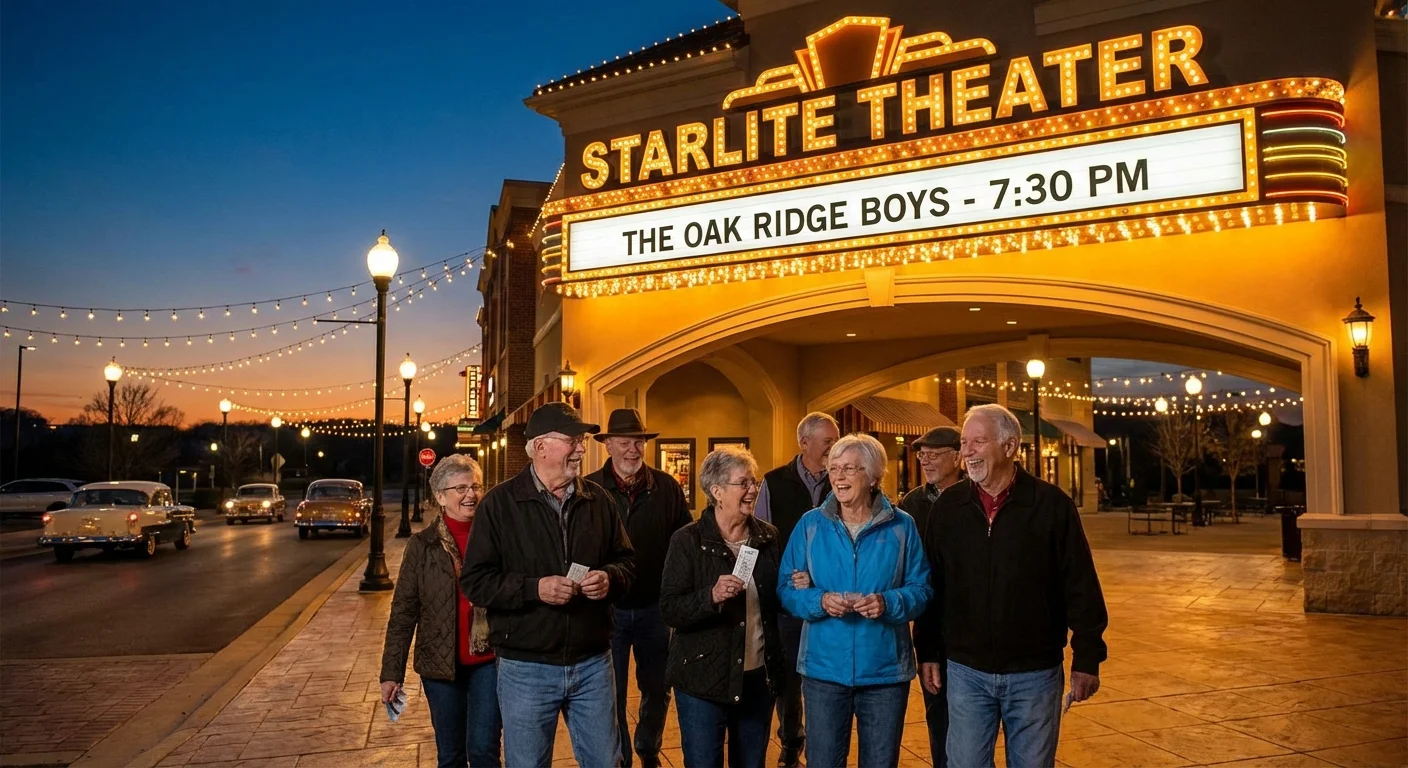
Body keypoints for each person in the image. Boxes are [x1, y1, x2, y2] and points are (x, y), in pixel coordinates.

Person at [914, 404, 1109, 768]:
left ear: (1009, 447)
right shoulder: (947, 509)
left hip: (1035, 674)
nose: (967, 451)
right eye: (964, 443)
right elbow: (932, 588)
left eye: (978, 442)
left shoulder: (1051, 506)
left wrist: (1087, 658)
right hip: (966, 672)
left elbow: (1080, 586)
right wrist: (926, 650)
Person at [461, 402, 636, 768]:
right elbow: (475, 582)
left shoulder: (598, 501)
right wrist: (533, 589)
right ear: (541, 446)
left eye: (582, 441)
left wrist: (610, 578)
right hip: (526, 668)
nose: (581, 449)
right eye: (572, 440)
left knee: (607, 762)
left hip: (592, 663)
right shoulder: (499, 505)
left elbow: (627, 562)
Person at [778, 433, 932, 768]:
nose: (839, 476)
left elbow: (922, 590)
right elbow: (786, 589)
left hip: (885, 673)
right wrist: (820, 601)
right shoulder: (810, 525)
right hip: (823, 671)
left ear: (874, 476)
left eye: (850, 468)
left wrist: (887, 603)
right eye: (834, 468)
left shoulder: (902, 527)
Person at [659, 446, 784, 768]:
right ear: (717, 491)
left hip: (757, 678)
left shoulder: (768, 537)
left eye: (753, 482)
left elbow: (776, 604)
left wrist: (796, 585)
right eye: (743, 483)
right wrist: (710, 596)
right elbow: (670, 609)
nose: (752, 490)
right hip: (702, 679)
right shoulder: (686, 541)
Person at [585, 408, 692, 768]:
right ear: (609, 445)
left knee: (658, 686)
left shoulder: (667, 488)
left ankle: (648, 747)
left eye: (639, 442)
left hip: (655, 609)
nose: (633, 450)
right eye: (625, 442)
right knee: (609, 693)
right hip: (607, 611)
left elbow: (684, 544)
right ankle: (623, 759)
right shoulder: (589, 488)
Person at [380, 454, 502, 768]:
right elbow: (404, 612)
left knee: (484, 750)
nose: (471, 494)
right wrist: (391, 674)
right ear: (440, 496)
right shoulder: (422, 545)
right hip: (439, 667)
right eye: (460, 488)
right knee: (450, 756)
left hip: (490, 660)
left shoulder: (497, 538)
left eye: (475, 486)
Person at [753, 411, 838, 766]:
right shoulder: (773, 483)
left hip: (833, 601)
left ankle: (824, 746)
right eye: (828, 442)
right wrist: (783, 580)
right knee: (787, 678)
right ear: (804, 443)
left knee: (825, 679)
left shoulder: (844, 480)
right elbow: (759, 540)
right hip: (788, 602)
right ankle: (791, 741)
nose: (835, 448)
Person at [896, 425, 963, 768]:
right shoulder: (913, 503)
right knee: (939, 720)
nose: (926, 461)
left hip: (969, 631)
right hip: (929, 627)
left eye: (935, 454)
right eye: (922, 455)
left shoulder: (973, 496)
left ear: (958, 455)